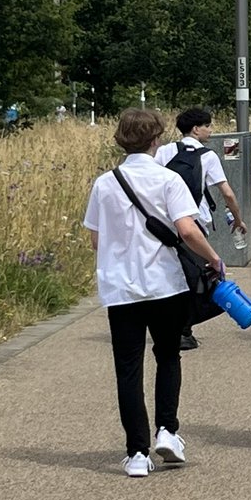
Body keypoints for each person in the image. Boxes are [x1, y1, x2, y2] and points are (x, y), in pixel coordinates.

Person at [83, 109, 224, 477]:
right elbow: (188, 231)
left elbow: (97, 239)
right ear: (156, 139)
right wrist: (214, 258)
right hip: (165, 284)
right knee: (167, 356)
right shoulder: (169, 180)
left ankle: (136, 453)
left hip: (121, 287)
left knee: (128, 368)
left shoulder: (104, 183)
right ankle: (167, 430)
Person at [155, 107, 247, 350]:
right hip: (195, 223)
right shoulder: (207, 156)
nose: (211, 130)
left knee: (170, 274)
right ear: (196, 129)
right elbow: (226, 192)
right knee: (194, 278)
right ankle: (183, 330)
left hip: (165, 224)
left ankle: (166, 324)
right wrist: (238, 219)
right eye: (208, 125)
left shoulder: (165, 150)